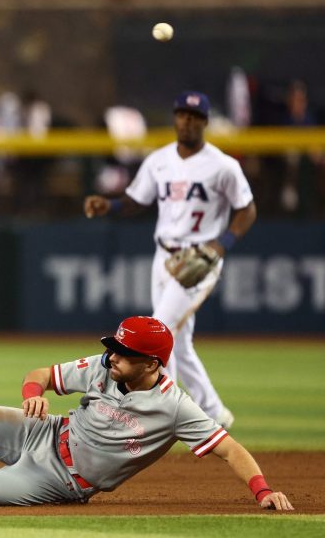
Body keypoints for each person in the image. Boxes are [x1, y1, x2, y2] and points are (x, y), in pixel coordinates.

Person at [0, 316, 292, 510]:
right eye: (114, 348)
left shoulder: (175, 406)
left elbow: (229, 448)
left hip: (62, 482)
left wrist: (263, 491)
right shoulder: (106, 367)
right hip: (43, 433)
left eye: (123, 353)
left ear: (151, 363)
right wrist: (31, 392)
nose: (111, 356)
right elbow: (39, 373)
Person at [83, 91, 257, 429]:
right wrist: (110, 206)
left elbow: (247, 209)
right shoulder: (159, 160)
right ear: (175, 118)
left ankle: (163, 411)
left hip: (200, 256)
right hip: (163, 254)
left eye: (194, 116)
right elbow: (136, 199)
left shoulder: (223, 165)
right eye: (181, 114)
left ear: (204, 122)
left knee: (160, 327)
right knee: (180, 340)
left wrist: (222, 245)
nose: (187, 121)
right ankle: (215, 412)